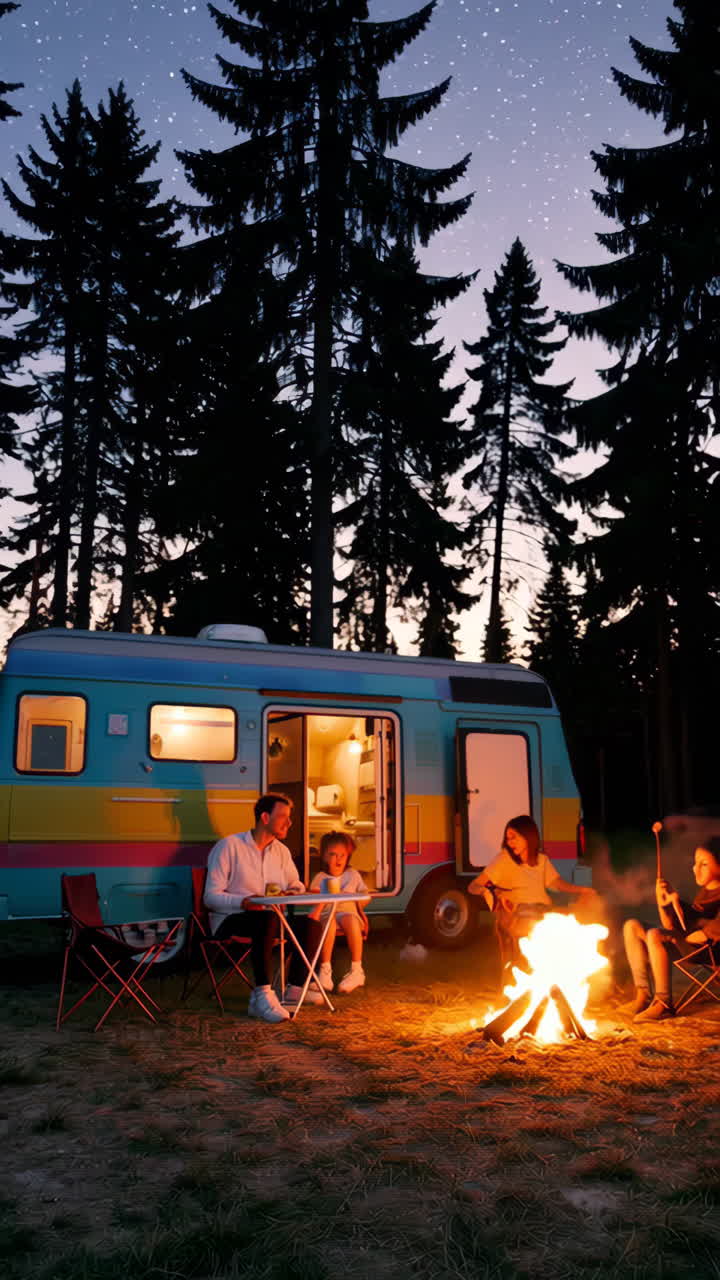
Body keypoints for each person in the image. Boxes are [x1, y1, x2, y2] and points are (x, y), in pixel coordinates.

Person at [204, 792, 324, 1023]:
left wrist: (294, 891)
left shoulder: (281, 851)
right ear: (266, 817)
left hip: (269, 919)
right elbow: (210, 897)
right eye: (283, 817)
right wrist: (243, 901)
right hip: (231, 918)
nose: (289, 823)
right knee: (265, 919)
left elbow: (295, 884)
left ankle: (294, 992)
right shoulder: (230, 846)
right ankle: (261, 996)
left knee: (310, 926)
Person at [621, 839, 720, 1022]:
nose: (695, 869)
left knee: (655, 935)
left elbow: (710, 928)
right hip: (691, 944)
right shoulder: (705, 893)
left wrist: (706, 933)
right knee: (632, 926)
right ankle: (643, 995)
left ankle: (664, 1004)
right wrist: (665, 901)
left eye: (704, 864)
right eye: (695, 863)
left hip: (709, 951)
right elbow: (672, 925)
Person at [468, 814, 596, 949]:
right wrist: (491, 892)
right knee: (531, 927)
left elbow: (558, 884)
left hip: (543, 911)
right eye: (508, 839)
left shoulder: (542, 860)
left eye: (514, 837)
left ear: (527, 836)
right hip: (520, 913)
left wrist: (583, 890)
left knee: (573, 926)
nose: (510, 843)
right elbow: (474, 886)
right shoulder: (504, 859)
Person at [308, 832, 371, 994]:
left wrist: (358, 899)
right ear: (324, 857)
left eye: (342, 855)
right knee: (329, 923)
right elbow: (314, 897)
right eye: (333, 854)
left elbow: (365, 895)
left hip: (348, 912)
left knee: (350, 919)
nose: (338, 859)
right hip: (327, 913)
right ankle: (325, 971)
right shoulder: (320, 877)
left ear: (348, 856)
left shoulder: (353, 875)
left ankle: (357, 970)